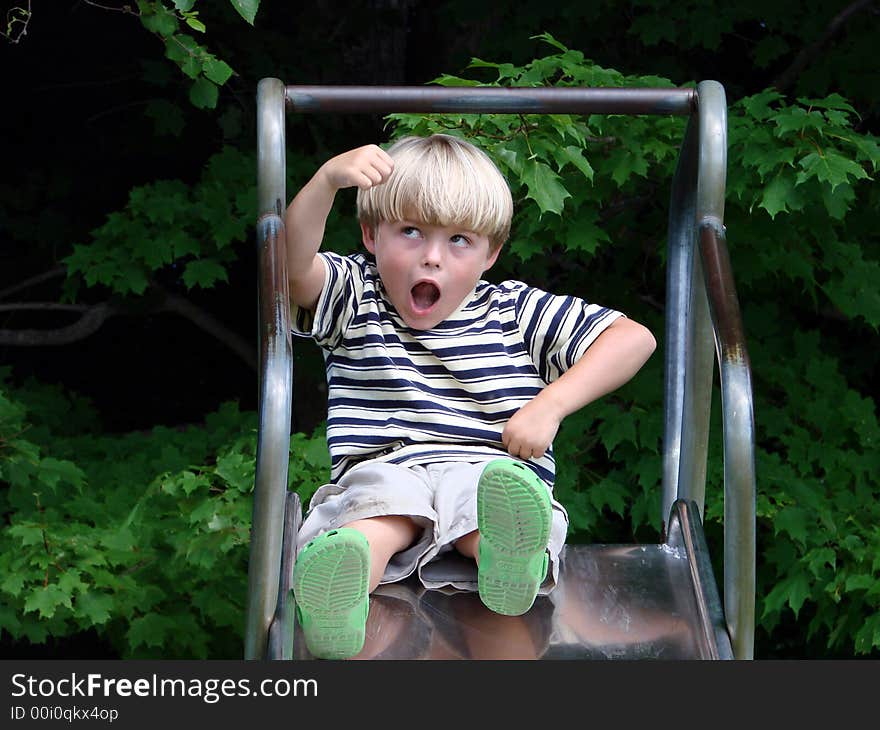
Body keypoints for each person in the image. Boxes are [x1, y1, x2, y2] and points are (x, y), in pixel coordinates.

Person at [285, 134, 656, 659]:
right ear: (371, 234)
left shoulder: (514, 310)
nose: (431, 258)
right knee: (377, 513)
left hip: (488, 472)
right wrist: (326, 182)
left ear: (491, 253)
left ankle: (507, 560)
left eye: (459, 240)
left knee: (484, 507)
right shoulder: (356, 294)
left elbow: (633, 338)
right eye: (410, 232)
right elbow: (291, 271)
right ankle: (339, 593)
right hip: (389, 468)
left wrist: (549, 404)